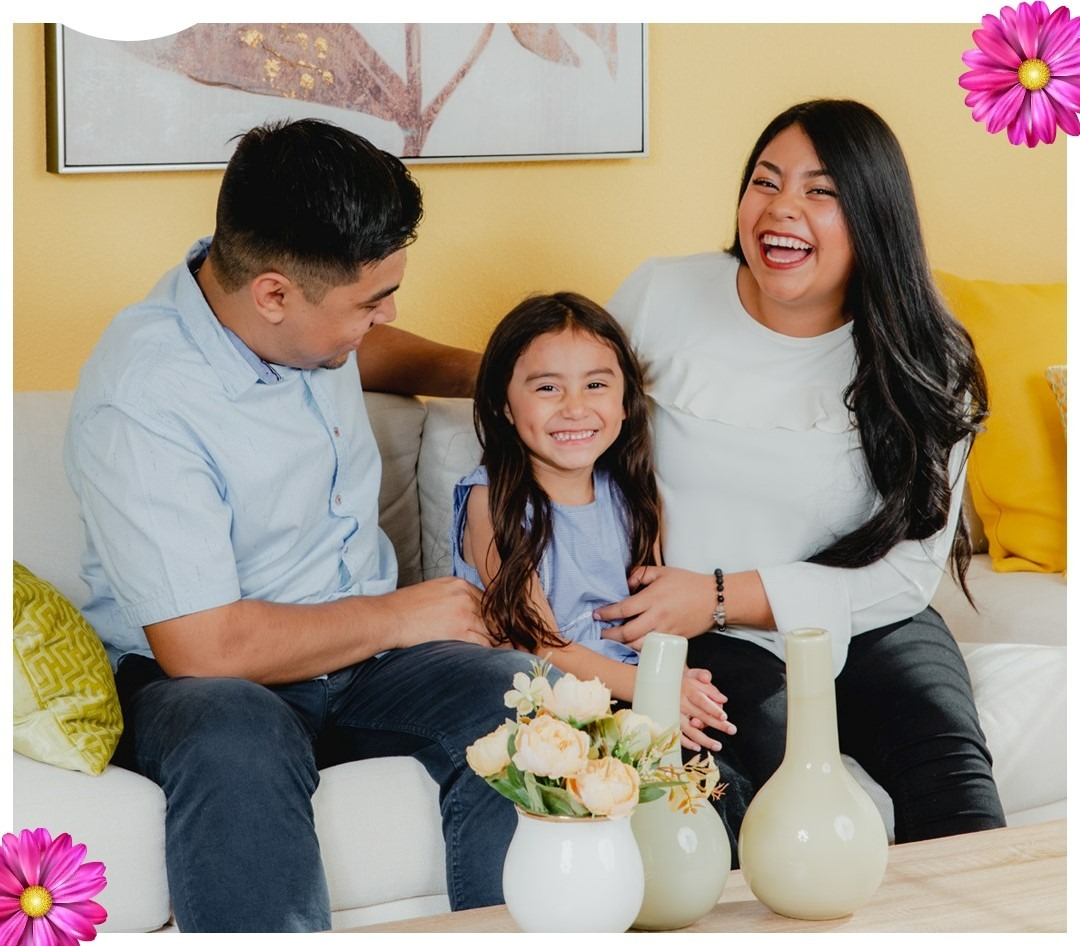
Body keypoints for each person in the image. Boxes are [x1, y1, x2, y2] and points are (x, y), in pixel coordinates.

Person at [63, 118, 539, 933]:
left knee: (523, 699)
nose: (386, 315)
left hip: (363, 665)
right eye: (371, 302)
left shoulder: (290, 321)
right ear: (274, 294)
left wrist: (498, 378)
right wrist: (407, 613)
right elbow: (204, 647)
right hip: (207, 682)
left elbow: (364, 349)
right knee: (235, 735)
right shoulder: (142, 399)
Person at [597, 99, 1006, 847]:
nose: (782, 208)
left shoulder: (931, 355)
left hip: (870, 616)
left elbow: (908, 575)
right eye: (766, 181)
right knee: (781, 803)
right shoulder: (662, 296)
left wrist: (721, 593)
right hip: (705, 635)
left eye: (822, 191)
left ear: (875, 217)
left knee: (955, 788)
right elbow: (562, 417)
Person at [451, 292, 737, 753]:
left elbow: (651, 620)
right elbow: (536, 645)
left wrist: (680, 684)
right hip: (547, 697)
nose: (575, 407)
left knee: (725, 759)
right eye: (547, 388)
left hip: (631, 684)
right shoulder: (492, 500)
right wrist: (656, 688)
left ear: (625, 402)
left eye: (596, 385)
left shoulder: (631, 493)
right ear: (504, 404)